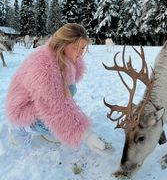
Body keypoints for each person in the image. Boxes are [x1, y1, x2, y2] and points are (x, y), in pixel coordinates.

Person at [5, 23, 106, 153]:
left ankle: (44, 126)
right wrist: (86, 135)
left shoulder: (64, 56)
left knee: (71, 90)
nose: (80, 53)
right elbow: (55, 106)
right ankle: (21, 127)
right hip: (23, 107)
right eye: (76, 48)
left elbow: (61, 95)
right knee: (56, 129)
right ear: (63, 44)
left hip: (39, 99)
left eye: (83, 48)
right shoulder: (44, 67)